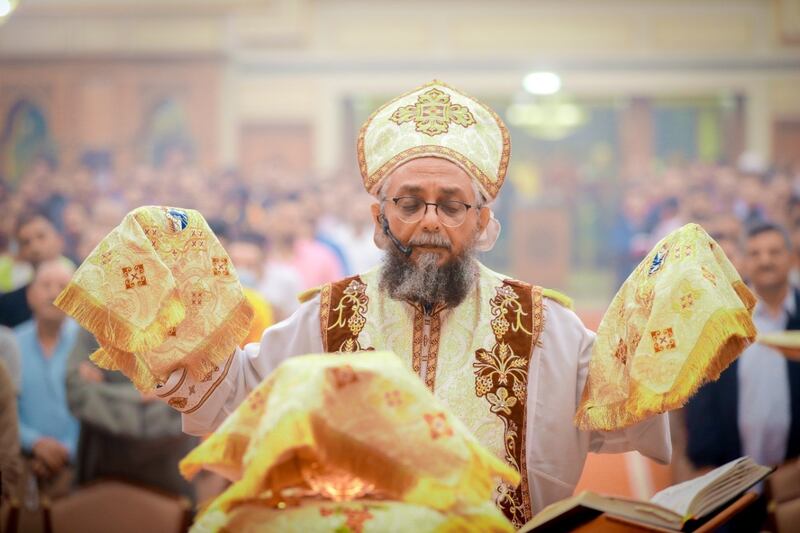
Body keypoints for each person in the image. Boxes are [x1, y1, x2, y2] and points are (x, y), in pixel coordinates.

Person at [155, 82, 672, 527]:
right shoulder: (328, 317)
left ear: (482, 220)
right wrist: (168, 321)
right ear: (379, 219)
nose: (430, 221)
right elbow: (242, 395)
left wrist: (670, 328)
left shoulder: (543, 325)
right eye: (408, 203)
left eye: (450, 204)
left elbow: (617, 401)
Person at [685, 222, 800, 531]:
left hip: (794, 478)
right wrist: (705, 463)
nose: (765, 260)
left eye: (774, 252)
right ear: (745, 262)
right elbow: (702, 397)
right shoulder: (724, 318)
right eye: (756, 253)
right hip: (731, 479)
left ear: (790, 257)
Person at [64, 328, 197, 500]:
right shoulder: (95, 318)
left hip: (169, 481)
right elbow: (77, 392)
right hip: (99, 478)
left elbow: (189, 402)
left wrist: (103, 390)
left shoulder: (190, 322)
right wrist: (151, 393)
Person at [15, 259, 79, 503]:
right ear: (31, 294)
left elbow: (93, 408)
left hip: (76, 468)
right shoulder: (9, 345)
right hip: (22, 465)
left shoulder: (90, 346)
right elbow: (5, 410)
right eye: (46, 285)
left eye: (63, 286)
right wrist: (35, 443)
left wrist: (66, 450)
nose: (54, 293)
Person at [0, 210, 68, 328]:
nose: (35, 247)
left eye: (41, 237)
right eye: (26, 242)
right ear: (20, 253)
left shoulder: (87, 289)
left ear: (59, 239)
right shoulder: (8, 304)